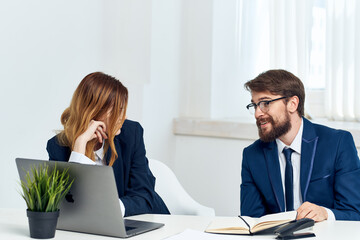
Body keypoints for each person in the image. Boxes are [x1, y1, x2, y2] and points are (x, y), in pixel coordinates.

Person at [241, 69, 360, 221]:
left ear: (292, 104)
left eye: (265, 103)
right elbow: (251, 220)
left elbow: (355, 213)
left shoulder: (337, 143)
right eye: (254, 105)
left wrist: (325, 213)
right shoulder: (252, 155)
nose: (258, 113)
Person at [46, 72, 169, 217]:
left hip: (144, 220)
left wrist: (110, 210)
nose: (124, 117)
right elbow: (65, 206)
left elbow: (144, 195)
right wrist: (79, 148)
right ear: (94, 111)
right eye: (118, 110)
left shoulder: (131, 134)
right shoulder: (57, 146)